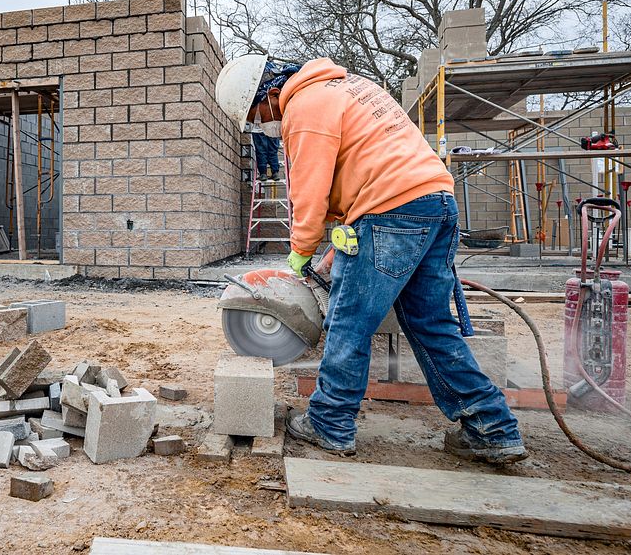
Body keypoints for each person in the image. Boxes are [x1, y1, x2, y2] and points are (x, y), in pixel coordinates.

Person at [215, 55, 527, 465]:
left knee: (348, 322)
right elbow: (363, 177)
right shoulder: (349, 87)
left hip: (391, 213)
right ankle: (494, 428)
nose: (262, 126)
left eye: (257, 116)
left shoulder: (303, 107)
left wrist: (299, 256)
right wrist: (333, 250)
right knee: (431, 325)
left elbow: (309, 194)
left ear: (268, 93)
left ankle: (330, 423)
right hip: (435, 204)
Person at [247, 65, 288, 181]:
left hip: (260, 126)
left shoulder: (254, 91)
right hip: (271, 125)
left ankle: (265, 173)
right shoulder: (273, 87)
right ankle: (274, 173)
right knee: (272, 150)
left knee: (262, 150)